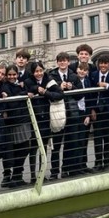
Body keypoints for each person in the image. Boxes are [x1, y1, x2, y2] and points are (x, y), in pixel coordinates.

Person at [45, 52, 75, 180]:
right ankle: (54, 172)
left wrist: (72, 86)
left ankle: (66, 169)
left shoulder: (73, 75)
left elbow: (79, 91)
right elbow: (48, 90)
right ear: (57, 62)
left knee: (69, 143)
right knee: (56, 145)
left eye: (65, 60)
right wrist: (59, 86)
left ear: (68, 62)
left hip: (70, 112)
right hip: (57, 113)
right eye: (60, 61)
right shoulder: (51, 75)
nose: (62, 63)